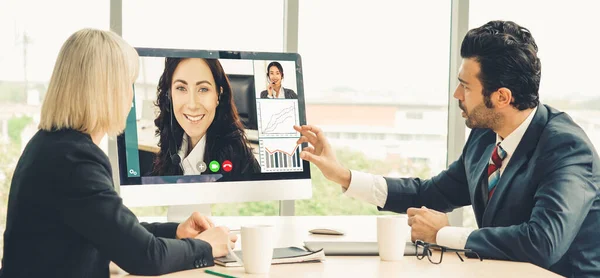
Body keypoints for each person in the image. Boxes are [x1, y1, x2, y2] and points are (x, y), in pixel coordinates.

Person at [294, 20, 600, 277]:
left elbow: (543, 243)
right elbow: (431, 194)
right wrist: (344, 176)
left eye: (466, 87)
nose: (457, 94)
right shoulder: (484, 135)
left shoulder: (567, 149)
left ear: (502, 97)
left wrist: (443, 234)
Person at [0, 29, 237, 278]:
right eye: (127, 85)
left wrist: (176, 230)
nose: (131, 97)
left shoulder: (53, 146)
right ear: (108, 90)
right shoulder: (74, 161)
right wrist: (207, 247)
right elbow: (145, 257)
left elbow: (115, 232)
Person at [151, 57, 260, 177]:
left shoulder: (240, 161)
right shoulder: (172, 144)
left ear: (218, 95)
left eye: (203, 89)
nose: (192, 105)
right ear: (169, 95)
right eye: (181, 88)